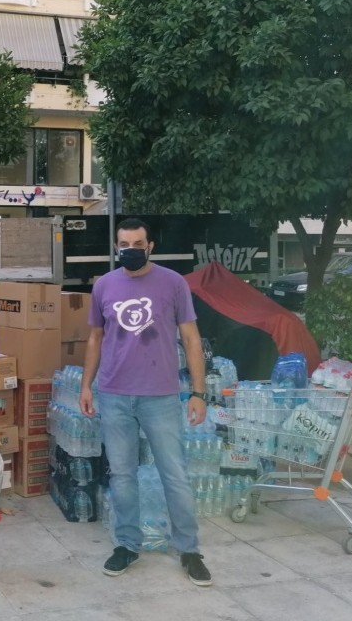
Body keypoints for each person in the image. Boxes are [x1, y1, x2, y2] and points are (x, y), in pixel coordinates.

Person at [79, 217, 213, 587]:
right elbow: (94, 339)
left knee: (175, 475)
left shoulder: (173, 284)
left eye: (138, 244)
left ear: (150, 246)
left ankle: (189, 549)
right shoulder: (104, 286)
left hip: (161, 397)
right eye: (124, 244)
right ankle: (127, 544)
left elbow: (191, 338)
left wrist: (199, 393)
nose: (130, 250)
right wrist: (86, 385)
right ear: (115, 247)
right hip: (114, 395)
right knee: (122, 476)